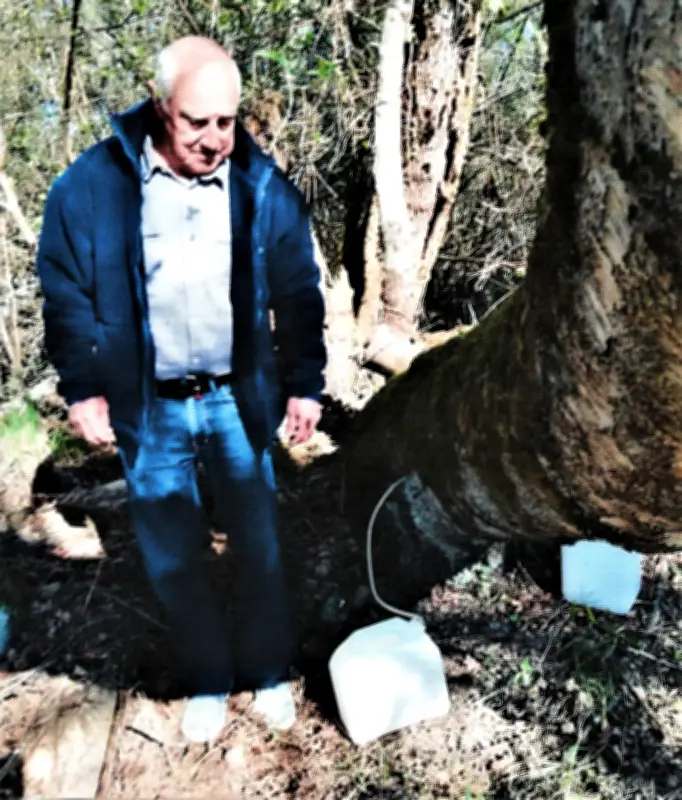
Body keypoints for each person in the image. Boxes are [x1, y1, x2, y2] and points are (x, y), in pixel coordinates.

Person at [36, 36, 326, 743]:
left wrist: (305, 383)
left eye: (227, 122)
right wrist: (82, 389)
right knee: (173, 557)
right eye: (197, 121)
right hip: (151, 405)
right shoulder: (94, 186)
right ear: (162, 107)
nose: (214, 139)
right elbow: (65, 292)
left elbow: (298, 288)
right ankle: (208, 676)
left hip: (237, 399)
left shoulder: (259, 183)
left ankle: (262, 671)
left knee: (258, 545)